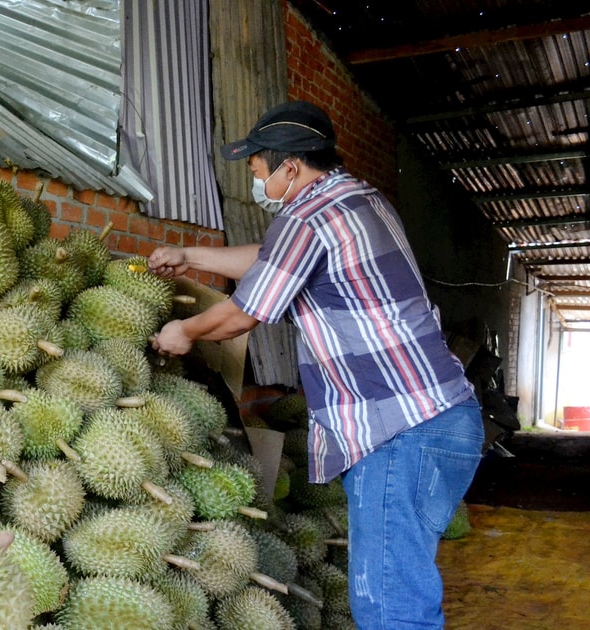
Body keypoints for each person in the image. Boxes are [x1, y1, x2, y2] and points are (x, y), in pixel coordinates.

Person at [148, 100, 483, 630]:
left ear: (291, 167)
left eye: (257, 169)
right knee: (401, 586)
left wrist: (184, 331)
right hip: (444, 418)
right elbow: (272, 260)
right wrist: (192, 256)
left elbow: (242, 315)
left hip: (399, 431)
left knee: (388, 606)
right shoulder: (357, 200)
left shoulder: (308, 215)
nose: (255, 180)